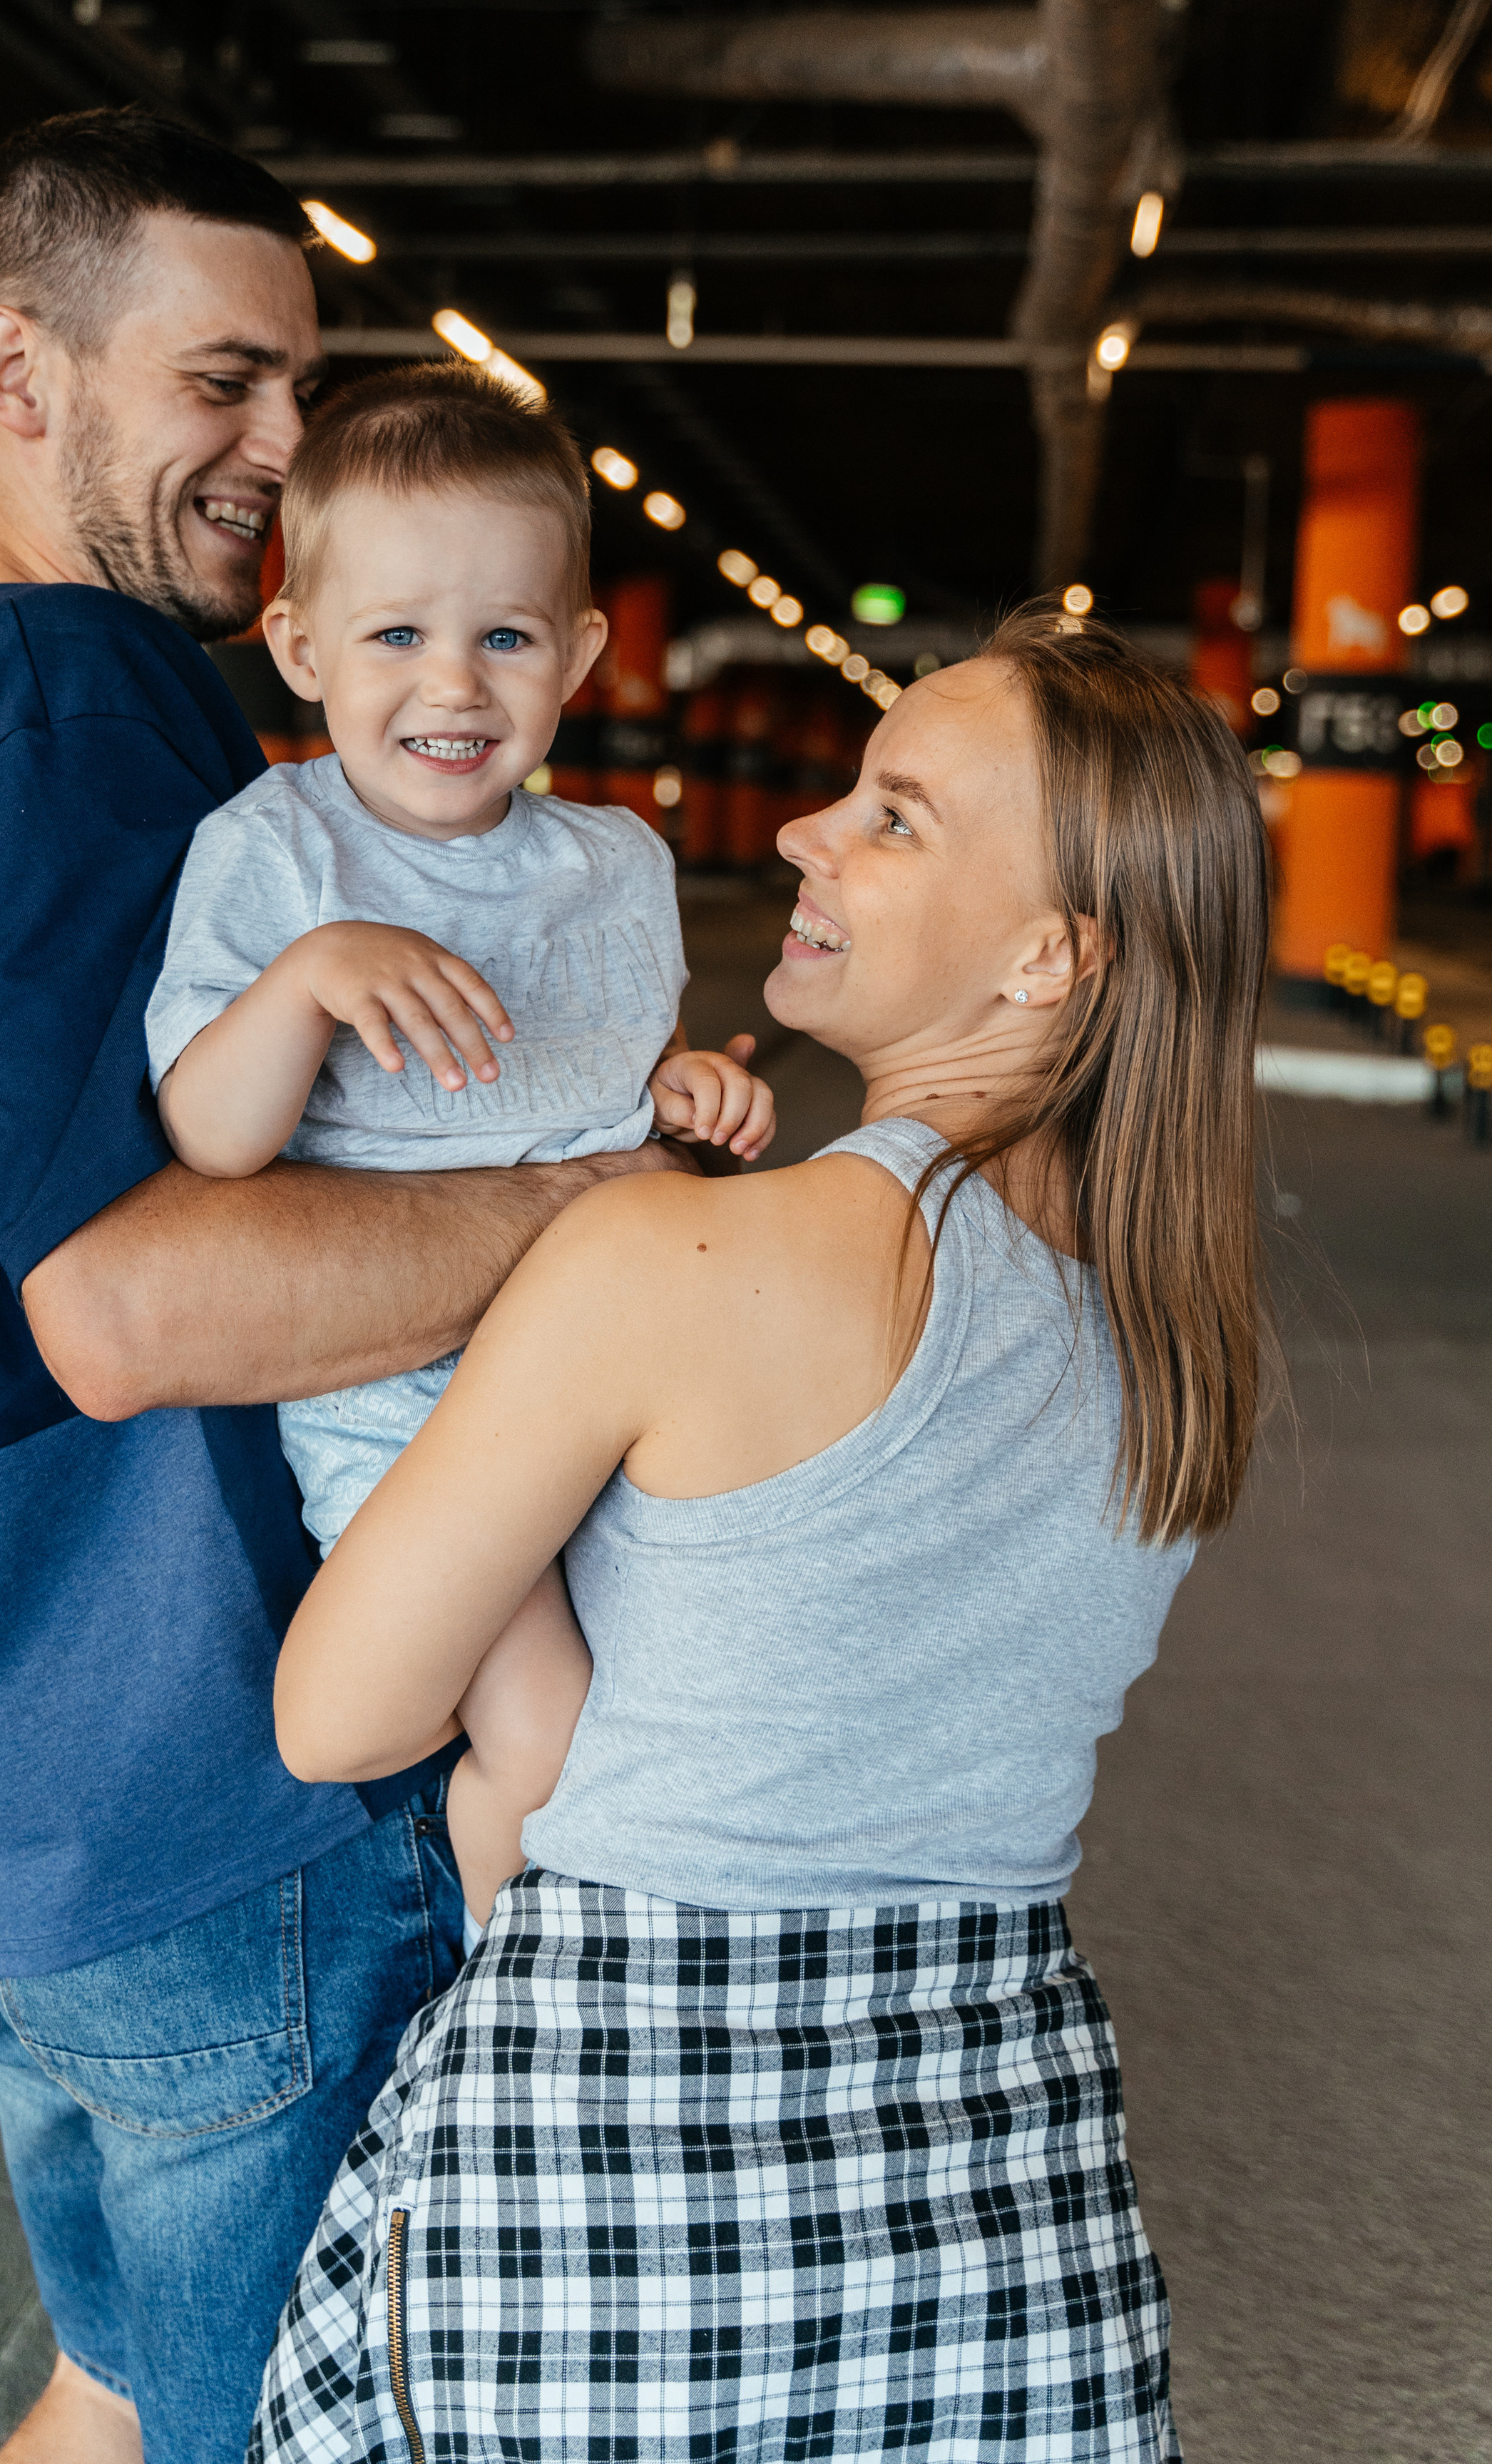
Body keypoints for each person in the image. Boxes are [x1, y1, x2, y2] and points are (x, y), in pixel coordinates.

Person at [0, 107, 684, 2464]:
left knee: (120, 2402)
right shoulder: (66, 700)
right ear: (19, 372)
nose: (285, 443)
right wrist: (602, 1214)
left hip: (10, 1777)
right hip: (195, 1778)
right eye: (222, 382)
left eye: (299, 383)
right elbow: (130, 1307)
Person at [249, 607, 1272, 2462]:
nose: (806, 830)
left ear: (1049, 955)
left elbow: (340, 1716)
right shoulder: (1179, 1342)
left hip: (611, 2189)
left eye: (893, 816)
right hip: (1006, 2196)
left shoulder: (675, 1258)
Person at [146, 363, 774, 1930]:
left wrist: (686, 1090)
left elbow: (605, 1098)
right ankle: (512, 2006)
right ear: (299, 648)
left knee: (696, 1709)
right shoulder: (277, 850)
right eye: (395, 637)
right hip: (406, 1408)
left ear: (579, 656)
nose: (454, 686)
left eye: (504, 638)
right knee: (546, 1733)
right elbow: (210, 1138)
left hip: (627, 1378)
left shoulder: (614, 861)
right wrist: (305, 982)